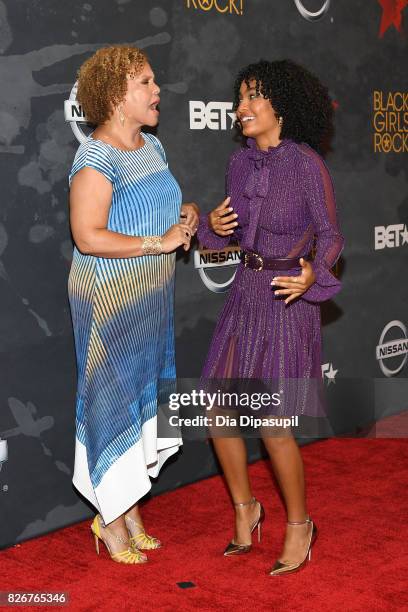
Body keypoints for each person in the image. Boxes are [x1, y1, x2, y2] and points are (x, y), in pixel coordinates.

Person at [198, 59, 344, 575]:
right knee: (215, 410)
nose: (241, 108)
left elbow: (330, 236)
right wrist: (212, 228)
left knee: (274, 423)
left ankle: (300, 524)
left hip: (286, 298)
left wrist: (312, 274)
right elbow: (224, 237)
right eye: (239, 98)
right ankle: (246, 510)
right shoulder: (239, 166)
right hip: (245, 292)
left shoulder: (305, 164)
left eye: (252, 97)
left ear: (280, 106)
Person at [68, 46, 199, 564]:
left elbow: (163, 209)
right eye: (145, 83)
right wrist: (157, 244)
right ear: (118, 97)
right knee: (111, 399)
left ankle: (128, 508)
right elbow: (87, 235)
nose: (156, 90)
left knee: (143, 395)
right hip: (108, 298)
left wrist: (184, 216)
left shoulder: (153, 147)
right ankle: (111, 521)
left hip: (151, 300)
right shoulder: (96, 156)